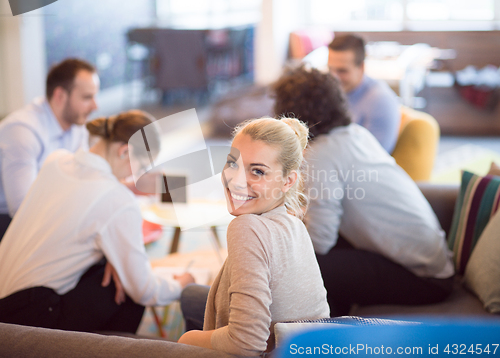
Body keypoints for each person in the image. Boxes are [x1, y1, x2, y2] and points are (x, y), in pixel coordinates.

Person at [273, 66, 454, 317]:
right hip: (434, 267)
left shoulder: (321, 154)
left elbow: (321, 240)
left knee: (301, 266)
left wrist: (280, 239)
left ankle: (317, 329)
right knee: (315, 263)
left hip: (424, 280)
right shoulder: (355, 135)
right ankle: (331, 324)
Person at [0, 110, 194, 333]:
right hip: (28, 316)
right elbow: (144, 289)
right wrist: (182, 285)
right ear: (124, 151)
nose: (135, 176)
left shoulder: (57, 160)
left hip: (4, 298)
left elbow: (79, 216)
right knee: (127, 291)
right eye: (141, 167)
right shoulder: (118, 200)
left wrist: (111, 256)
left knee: (114, 270)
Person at [178, 117, 329, 356]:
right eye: (232, 163)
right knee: (190, 296)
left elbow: (246, 343)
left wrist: (186, 341)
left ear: (288, 181)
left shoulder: (246, 227)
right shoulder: (295, 224)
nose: (236, 180)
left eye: (257, 171)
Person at [0, 58, 99, 240]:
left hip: (48, 206)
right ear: (60, 96)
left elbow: (82, 176)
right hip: (8, 219)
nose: (95, 106)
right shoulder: (22, 131)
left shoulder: (76, 125)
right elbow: (22, 209)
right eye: (87, 97)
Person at [328, 34, 400, 153]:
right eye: (330, 69)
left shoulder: (380, 101)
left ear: (361, 67)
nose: (334, 77)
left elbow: (372, 159)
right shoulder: (332, 92)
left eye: (342, 71)